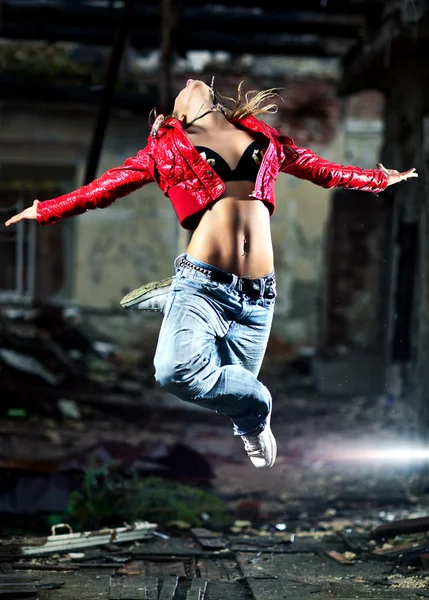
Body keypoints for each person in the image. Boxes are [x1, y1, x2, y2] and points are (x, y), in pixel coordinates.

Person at [5, 78, 418, 469]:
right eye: (179, 91)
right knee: (175, 372)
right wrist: (46, 209)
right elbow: (107, 186)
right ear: (178, 114)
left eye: (194, 83)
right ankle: (256, 414)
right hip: (204, 283)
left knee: (232, 382)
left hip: (258, 295)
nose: (188, 83)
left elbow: (320, 169)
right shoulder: (168, 148)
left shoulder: (265, 138)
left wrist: (378, 180)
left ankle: (192, 334)